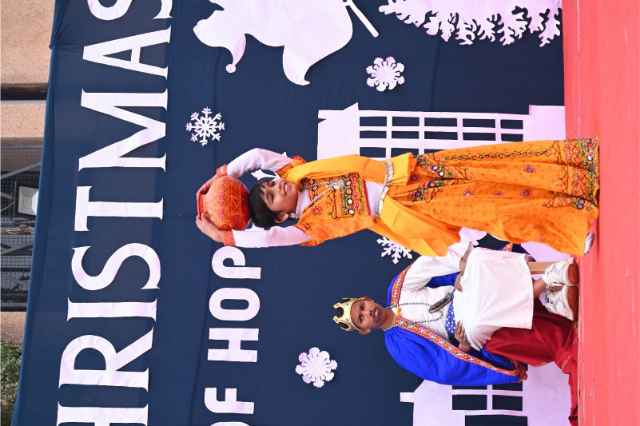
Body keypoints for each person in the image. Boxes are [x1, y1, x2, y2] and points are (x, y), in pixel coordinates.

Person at [196, 139, 598, 256]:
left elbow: (256, 155)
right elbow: (265, 238)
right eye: (271, 197)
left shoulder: (295, 172)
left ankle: (575, 173)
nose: (276, 186)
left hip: (414, 172)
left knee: (488, 167)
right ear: (281, 217)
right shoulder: (307, 228)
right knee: (494, 211)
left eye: (269, 184)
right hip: (411, 207)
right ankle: (572, 224)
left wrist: (222, 176)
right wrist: (225, 237)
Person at [333, 247, 579, 424]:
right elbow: (440, 368)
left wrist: (460, 272)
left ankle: (552, 296)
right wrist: (463, 346)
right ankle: (547, 281)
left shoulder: (398, 288)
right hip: (465, 330)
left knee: (478, 260)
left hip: (463, 294)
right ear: (365, 330)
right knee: (477, 322)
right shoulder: (396, 346)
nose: (368, 312)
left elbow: (432, 264)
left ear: (367, 299)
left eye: (362, 307)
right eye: (361, 318)